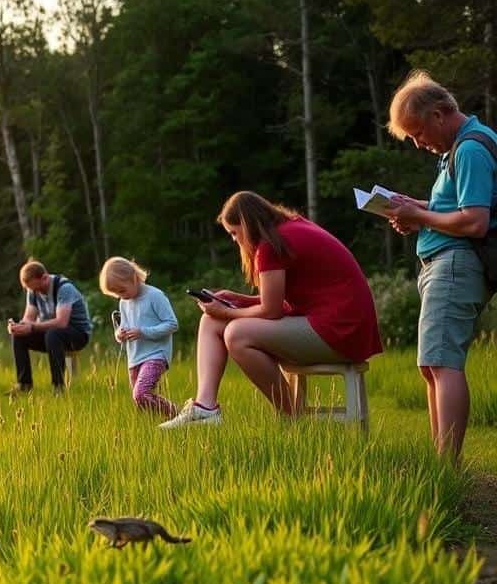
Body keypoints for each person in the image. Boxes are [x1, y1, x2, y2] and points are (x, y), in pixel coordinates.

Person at [160, 191, 383, 428]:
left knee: (236, 334)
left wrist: (227, 312)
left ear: (247, 225)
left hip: (340, 332)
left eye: (235, 233)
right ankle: (205, 407)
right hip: (341, 326)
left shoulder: (271, 245)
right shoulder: (290, 228)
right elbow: (277, 303)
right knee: (212, 322)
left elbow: (271, 311)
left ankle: (294, 419)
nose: (235, 240)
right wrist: (237, 300)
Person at [383, 70, 497, 460]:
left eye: (419, 133)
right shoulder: (458, 150)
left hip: (455, 266)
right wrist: (416, 207)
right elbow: (455, 208)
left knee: (442, 364)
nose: (419, 144)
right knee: (432, 365)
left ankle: (446, 466)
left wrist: (420, 218)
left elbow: (474, 220)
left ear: (440, 113)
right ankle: (441, 460)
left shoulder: (470, 150)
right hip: (445, 264)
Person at [100, 256, 178, 417]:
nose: (121, 296)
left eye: (122, 290)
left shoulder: (155, 296)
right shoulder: (124, 302)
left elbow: (172, 324)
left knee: (141, 394)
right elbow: (124, 326)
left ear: (134, 278)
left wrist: (143, 332)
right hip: (134, 358)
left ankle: (176, 413)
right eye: (116, 294)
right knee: (141, 402)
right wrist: (119, 334)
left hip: (156, 355)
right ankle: (162, 426)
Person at [8, 260, 92, 393]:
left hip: (77, 334)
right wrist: (19, 327)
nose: (36, 292)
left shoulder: (64, 288)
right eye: (32, 290)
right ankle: (24, 384)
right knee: (19, 337)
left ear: (45, 278)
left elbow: (61, 322)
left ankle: (58, 386)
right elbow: (29, 318)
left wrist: (31, 327)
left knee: (53, 334)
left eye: (37, 288)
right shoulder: (33, 291)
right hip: (51, 335)